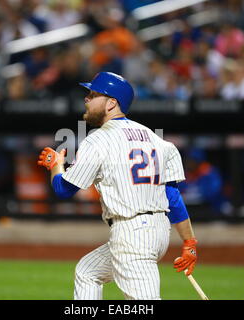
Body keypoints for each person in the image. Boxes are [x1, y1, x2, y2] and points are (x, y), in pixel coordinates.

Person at [37, 72, 197, 300]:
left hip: (132, 234)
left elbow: (64, 189)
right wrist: (189, 242)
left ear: (112, 103)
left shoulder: (98, 139)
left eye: (93, 94)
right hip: (159, 232)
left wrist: (56, 166)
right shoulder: (155, 139)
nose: (87, 99)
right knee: (87, 272)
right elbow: (172, 197)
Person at [178, 148, 232, 215]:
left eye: (192, 160)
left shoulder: (209, 172)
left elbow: (214, 192)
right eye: (188, 160)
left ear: (198, 161)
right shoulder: (184, 173)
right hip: (189, 207)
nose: (189, 163)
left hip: (211, 207)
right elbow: (178, 190)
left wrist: (201, 195)